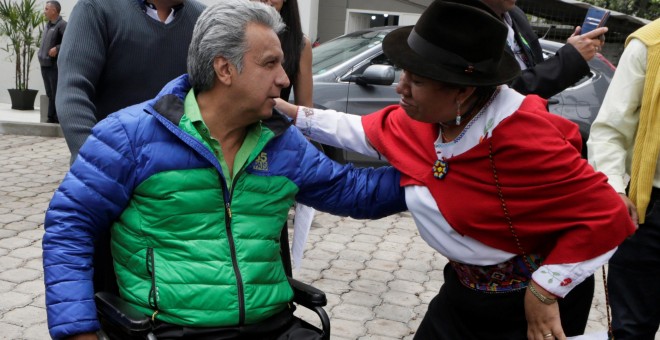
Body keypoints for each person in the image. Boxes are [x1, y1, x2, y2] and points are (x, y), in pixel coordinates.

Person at [42, 1, 407, 339]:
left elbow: (356, 191)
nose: (284, 79)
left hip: (273, 327)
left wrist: (438, 172)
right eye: (269, 64)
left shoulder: (282, 142)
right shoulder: (129, 137)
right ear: (224, 69)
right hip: (169, 329)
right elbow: (69, 226)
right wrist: (79, 332)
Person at [275, 1, 635, 338]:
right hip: (464, 293)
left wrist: (545, 290)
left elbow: (610, 216)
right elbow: (359, 130)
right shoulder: (428, 119)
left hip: (530, 305)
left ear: (462, 92)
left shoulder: (524, 134)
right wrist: (283, 110)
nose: (400, 89)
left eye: (415, 82)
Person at [56, 0, 205, 163]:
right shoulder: (96, 9)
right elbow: (73, 92)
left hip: (181, 173)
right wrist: (96, 161)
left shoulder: (203, 20)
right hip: (110, 165)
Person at [587, 18, 660, 340]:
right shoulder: (649, 44)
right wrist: (615, 190)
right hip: (649, 211)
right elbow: (609, 131)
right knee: (631, 330)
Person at [254, 0, 315, 269]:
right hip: (228, 142)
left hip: (272, 148)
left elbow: (305, 112)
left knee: (268, 233)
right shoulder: (230, 30)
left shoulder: (299, 44)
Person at [477, 0, 607, 99]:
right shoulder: (467, 25)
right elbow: (508, 91)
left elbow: (536, 69)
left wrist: (572, 49)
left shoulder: (515, 15)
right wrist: (571, 56)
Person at [38, 1, 66, 124]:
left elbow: (69, 42)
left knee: (55, 92)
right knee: (49, 93)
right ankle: (50, 117)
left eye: (47, 9)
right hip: (44, 64)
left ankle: (55, 118)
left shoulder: (62, 25)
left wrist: (57, 48)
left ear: (54, 11)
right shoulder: (48, 25)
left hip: (54, 66)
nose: (44, 11)